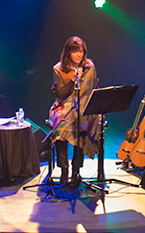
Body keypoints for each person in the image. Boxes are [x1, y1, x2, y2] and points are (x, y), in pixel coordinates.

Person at [49, 36, 100, 186]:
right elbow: (60, 95)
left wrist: (98, 109)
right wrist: (73, 79)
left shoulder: (90, 67)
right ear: (68, 52)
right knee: (61, 124)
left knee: (81, 123)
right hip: (64, 105)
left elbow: (93, 89)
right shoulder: (58, 68)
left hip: (84, 105)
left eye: (81, 51)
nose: (79, 54)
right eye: (75, 51)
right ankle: (64, 169)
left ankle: (76, 171)